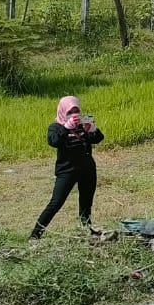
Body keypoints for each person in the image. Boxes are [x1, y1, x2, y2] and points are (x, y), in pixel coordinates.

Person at [31, 96, 103, 241]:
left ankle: (86, 230)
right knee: (56, 202)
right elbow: (54, 141)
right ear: (63, 111)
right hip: (67, 171)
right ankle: (35, 235)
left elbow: (98, 139)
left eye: (77, 111)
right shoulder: (55, 127)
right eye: (70, 112)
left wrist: (92, 129)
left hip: (87, 169)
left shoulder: (82, 126)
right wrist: (66, 128)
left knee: (86, 202)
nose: (74, 115)